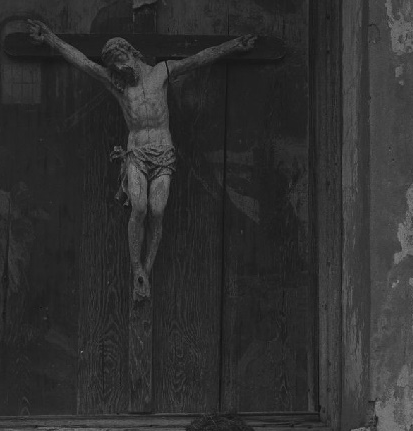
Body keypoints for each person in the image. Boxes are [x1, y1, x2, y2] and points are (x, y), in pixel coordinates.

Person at [27, 20, 257, 300]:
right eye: (113, 64)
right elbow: (83, 62)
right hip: (136, 154)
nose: (118, 67)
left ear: (131, 53)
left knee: (157, 210)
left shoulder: (162, 72)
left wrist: (233, 45)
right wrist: (50, 38)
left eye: (120, 58)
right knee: (139, 207)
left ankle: (145, 271)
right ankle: (136, 266)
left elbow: (198, 59)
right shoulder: (119, 86)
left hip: (163, 153)